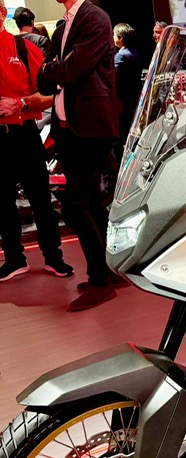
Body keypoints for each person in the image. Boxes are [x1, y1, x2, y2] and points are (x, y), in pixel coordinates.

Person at [38, 0, 123, 311]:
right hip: (69, 129)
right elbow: (45, 80)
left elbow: (72, 70)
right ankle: (108, 272)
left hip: (92, 126)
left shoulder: (95, 17)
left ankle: (100, 280)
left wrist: (52, 69)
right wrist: (54, 70)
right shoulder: (63, 27)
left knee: (76, 204)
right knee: (91, 200)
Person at [0, 0, 73, 282]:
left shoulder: (23, 48)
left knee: (40, 198)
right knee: (2, 203)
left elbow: (50, 95)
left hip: (24, 133)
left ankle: (54, 257)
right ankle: (14, 259)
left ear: (3, 13)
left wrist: (19, 104)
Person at [113, 23, 143, 144]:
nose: (112, 37)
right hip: (135, 96)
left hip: (123, 99)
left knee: (124, 132)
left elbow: (113, 77)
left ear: (120, 38)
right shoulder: (136, 53)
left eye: (114, 35)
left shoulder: (120, 56)